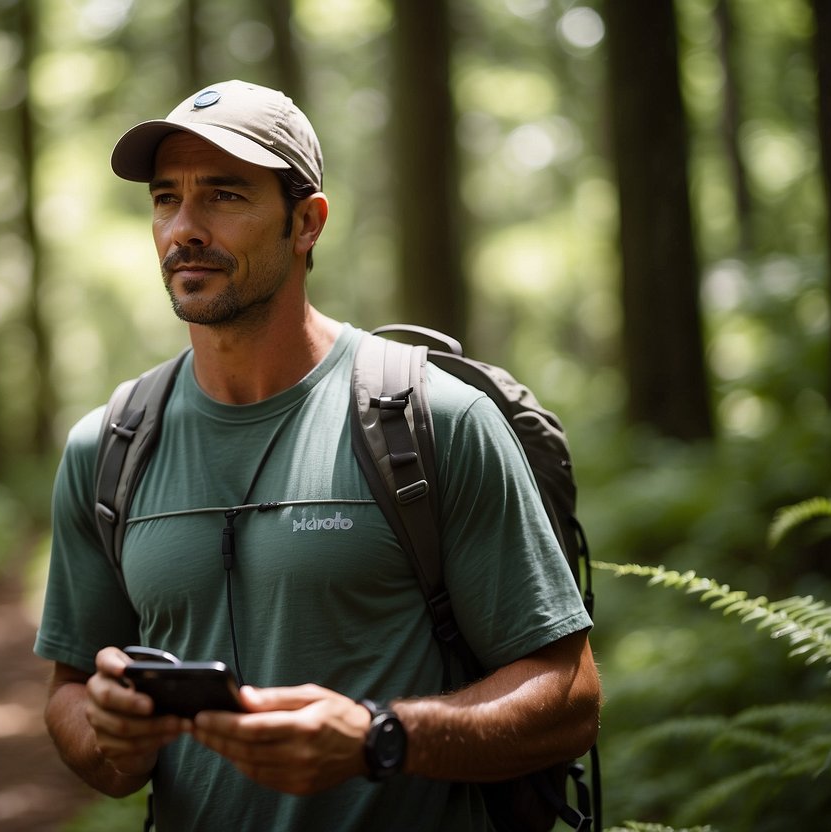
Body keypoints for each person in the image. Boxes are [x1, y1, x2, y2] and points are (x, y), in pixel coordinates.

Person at [35, 79, 600, 831]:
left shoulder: (433, 419)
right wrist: (108, 729)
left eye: (225, 196)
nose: (184, 229)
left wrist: (380, 738)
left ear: (305, 223)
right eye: (165, 198)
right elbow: (69, 695)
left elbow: (569, 700)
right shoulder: (106, 446)